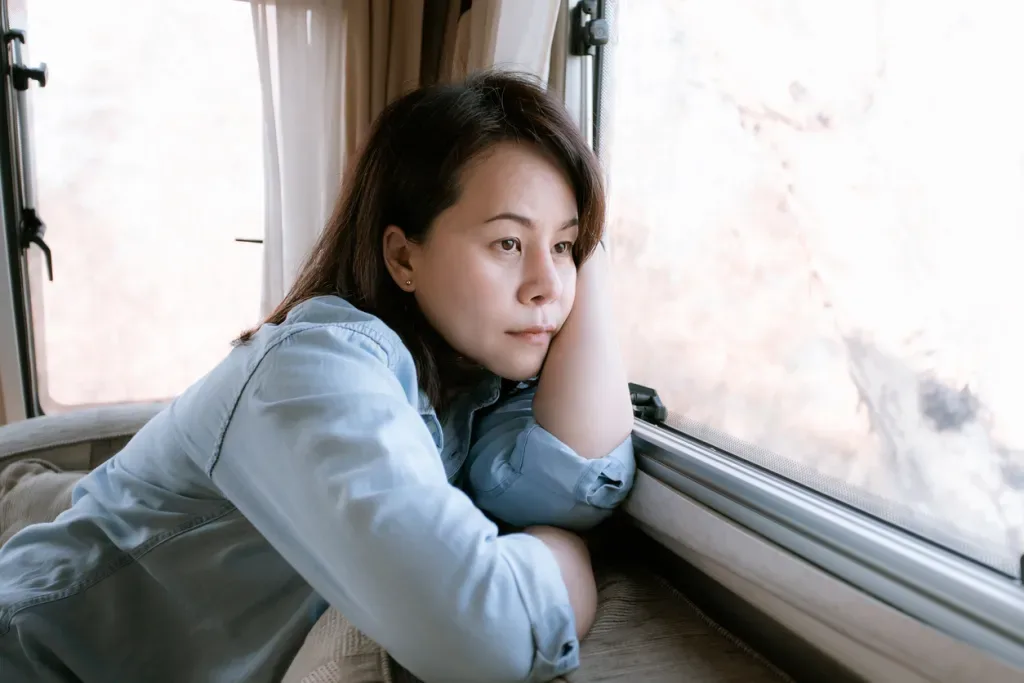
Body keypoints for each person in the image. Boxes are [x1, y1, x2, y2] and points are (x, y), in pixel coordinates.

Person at [0, 70, 636, 683]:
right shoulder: (315, 367)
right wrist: (566, 559)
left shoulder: (464, 390)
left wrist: (593, 262)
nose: (548, 287)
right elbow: (488, 635)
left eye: (563, 247)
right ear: (403, 256)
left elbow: (570, 485)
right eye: (507, 244)